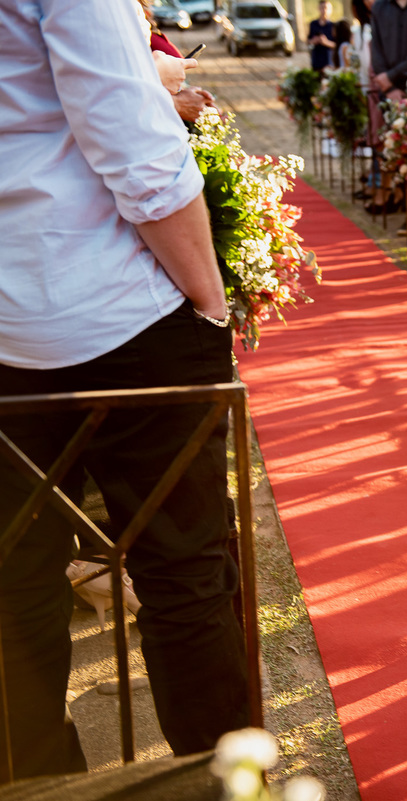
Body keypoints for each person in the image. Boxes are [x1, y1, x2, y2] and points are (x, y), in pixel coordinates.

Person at [0, 0, 249, 781]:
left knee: (15, 595)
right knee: (187, 580)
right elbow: (135, 145)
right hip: (116, 309)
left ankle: (39, 784)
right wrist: (210, 301)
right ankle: (221, 782)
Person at [370, 0, 407, 212]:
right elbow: (376, 48)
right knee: (392, 149)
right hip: (388, 90)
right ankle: (397, 199)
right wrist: (387, 85)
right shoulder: (379, 7)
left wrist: (394, 76)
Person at [309, 0, 337, 71]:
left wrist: (325, 42)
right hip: (316, 60)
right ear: (318, 9)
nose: (324, 10)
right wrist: (314, 41)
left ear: (330, 10)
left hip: (329, 60)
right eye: (322, 8)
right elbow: (308, 40)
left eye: (326, 8)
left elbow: (337, 45)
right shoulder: (313, 24)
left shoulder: (333, 26)